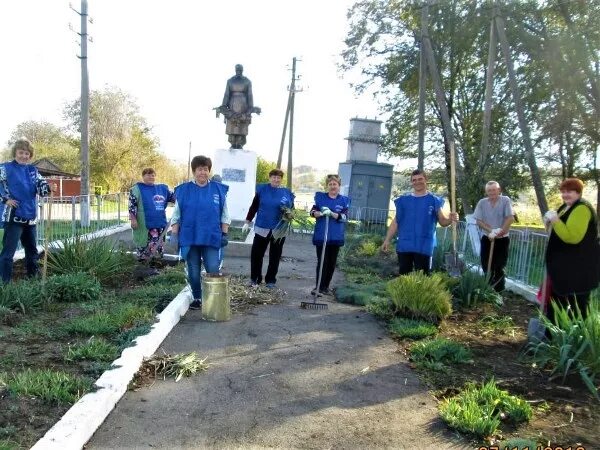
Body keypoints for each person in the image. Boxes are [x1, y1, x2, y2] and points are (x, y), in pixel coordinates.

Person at [171, 156, 231, 310]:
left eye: (205, 169)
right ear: (194, 171)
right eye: (199, 169)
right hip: (190, 237)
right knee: (193, 270)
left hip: (211, 236)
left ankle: (212, 299)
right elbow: (176, 215)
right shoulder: (183, 190)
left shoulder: (218, 189)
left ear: (209, 171)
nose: (202, 172)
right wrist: (174, 234)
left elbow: (224, 215)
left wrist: (224, 234)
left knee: (212, 268)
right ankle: (197, 297)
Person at [543, 178, 600, 322]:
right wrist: (549, 223)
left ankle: (575, 342)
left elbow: (572, 237)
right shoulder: (565, 207)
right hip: (563, 270)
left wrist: (555, 220)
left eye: (569, 191)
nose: (565, 195)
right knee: (556, 304)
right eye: (563, 192)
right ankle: (552, 339)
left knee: (577, 309)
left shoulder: (581, 208)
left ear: (578, 192)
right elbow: (557, 232)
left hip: (578, 270)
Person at [382, 169, 458, 275]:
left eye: (420, 179)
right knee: (404, 276)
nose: (417, 182)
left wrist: (451, 219)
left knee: (422, 277)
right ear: (411, 182)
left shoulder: (434, 200)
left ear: (426, 180)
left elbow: (443, 222)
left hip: (424, 245)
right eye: (414, 180)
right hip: (405, 244)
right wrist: (387, 240)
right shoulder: (404, 201)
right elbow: (395, 222)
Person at [0, 139, 55, 282]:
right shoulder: (5, 168)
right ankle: (4, 284)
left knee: (32, 251)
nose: (24, 156)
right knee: (8, 253)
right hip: (13, 217)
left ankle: (32, 279)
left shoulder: (32, 170)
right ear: (15, 153)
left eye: (27, 153)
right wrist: (5, 200)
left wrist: (48, 188)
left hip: (30, 216)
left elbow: (40, 186)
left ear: (30, 155)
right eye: (21, 152)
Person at [242, 168, 294, 287]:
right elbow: (254, 207)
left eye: (278, 177)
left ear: (281, 179)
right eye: (274, 177)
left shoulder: (287, 192)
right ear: (270, 178)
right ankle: (255, 278)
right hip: (262, 227)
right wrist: (247, 221)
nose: (276, 179)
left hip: (279, 229)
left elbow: (292, 209)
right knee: (256, 255)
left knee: (275, 256)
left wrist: (290, 214)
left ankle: (270, 280)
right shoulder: (262, 190)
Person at [310, 174, 350, 296]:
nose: (333, 186)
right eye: (330, 184)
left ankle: (326, 287)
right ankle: (318, 287)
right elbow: (312, 212)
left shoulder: (344, 200)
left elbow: (344, 217)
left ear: (339, 186)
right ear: (327, 186)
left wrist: (332, 214)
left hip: (335, 237)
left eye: (335, 184)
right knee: (322, 261)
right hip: (322, 236)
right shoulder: (321, 198)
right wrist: (318, 213)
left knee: (331, 263)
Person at [472, 181, 514, 292]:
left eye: (494, 190)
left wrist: (500, 232)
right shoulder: (482, 203)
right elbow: (478, 221)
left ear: (499, 190)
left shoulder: (505, 200)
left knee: (499, 266)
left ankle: (499, 291)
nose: (492, 192)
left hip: (502, 239)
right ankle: (488, 289)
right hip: (487, 238)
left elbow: (510, 218)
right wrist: (491, 231)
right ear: (486, 192)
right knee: (487, 265)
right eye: (489, 190)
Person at [128, 168, 175, 262]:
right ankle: (144, 267)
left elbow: (174, 198)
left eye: (153, 175)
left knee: (158, 246)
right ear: (143, 176)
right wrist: (133, 219)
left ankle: (157, 268)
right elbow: (132, 205)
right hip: (144, 224)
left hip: (159, 223)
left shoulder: (162, 189)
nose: (151, 177)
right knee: (144, 245)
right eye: (148, 175)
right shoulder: (137, 189)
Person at [216, 64, 261, 149]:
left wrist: (250, 109)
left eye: (240, 70)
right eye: (237, 70)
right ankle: (232, 142)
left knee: (242, 125)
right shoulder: (230, 81)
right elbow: (226, 95)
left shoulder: (247, 81)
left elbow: (250, 96)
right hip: (232, 104)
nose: (239, 71)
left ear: (242, 70)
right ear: (235, 70)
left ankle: (240, 142)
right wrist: (223, 106)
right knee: (232, 125)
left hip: (243, 105)